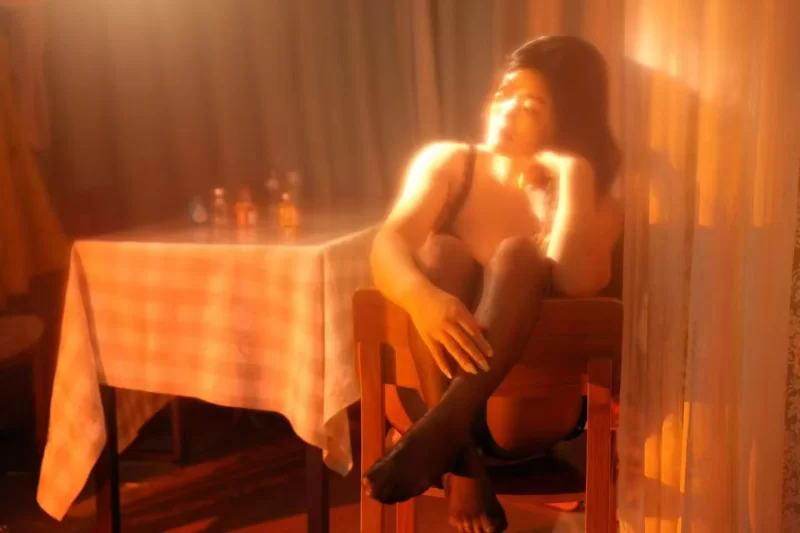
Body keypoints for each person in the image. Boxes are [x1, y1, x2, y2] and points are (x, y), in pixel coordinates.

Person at [364, 36, 622, 533]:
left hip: (526, 419)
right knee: (441, 252)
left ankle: (447, 443)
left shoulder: (593, 201)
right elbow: (387, 243)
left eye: (532, 106)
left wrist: (573, 172)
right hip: (424, 397)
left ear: (566, 121)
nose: (507, 110)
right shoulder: (450, 163)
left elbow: (576, 281)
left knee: (520, 254)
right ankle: (455, 450)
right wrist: (425, 300)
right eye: (505, 93)